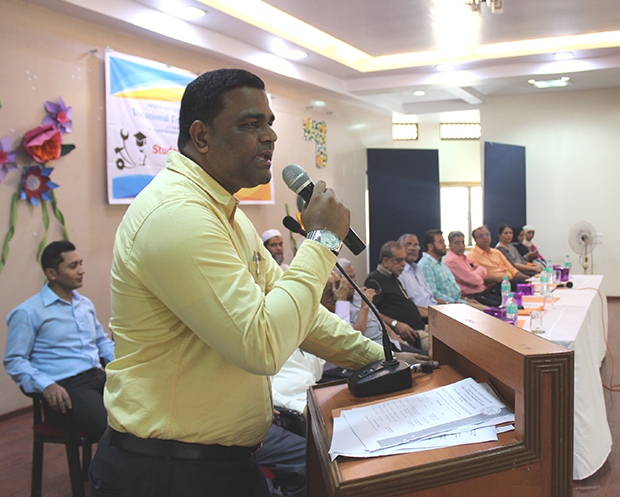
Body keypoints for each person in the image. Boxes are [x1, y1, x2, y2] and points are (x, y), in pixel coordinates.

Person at [89, 68, 428, 497]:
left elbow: (300, 317)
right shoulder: (176, 215)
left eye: (269, 123)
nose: (270, 136)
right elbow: (261, 344)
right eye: (251, 124)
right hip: (166, 472)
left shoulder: (226, 215)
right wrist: (322, 239)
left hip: (220, 461)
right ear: (202, 136)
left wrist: (384, 358)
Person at [4, 240, 114, 442]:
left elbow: (101, 342)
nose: (81, 270)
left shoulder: (84, 304)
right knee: (113, 429)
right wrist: (46, 385)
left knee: (144, 413)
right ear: (51, 273)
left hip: (97, 377)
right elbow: (15, 360)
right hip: (65, 388)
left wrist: (122, 364)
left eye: (80, 263)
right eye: (73, 266)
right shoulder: (28, 312)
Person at [364, 241, 428, 352]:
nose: (404, 264)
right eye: (399, 260)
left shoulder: (393, 278)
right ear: (385, 261)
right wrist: (395, 324)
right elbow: (371, 313)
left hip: (420, 327)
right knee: (446, 346)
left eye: (404, 259)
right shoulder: (375, 281)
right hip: (411, 334)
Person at [444, 231, 502, 307]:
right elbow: (475, 281)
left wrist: (476, 272)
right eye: (457, 243)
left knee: (511, 301)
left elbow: (484, 270)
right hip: (474, 295)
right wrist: (477, 272)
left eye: (463, 242)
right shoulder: (452, 260)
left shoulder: (462, 257)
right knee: (505, 306)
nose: (461, 246)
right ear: (450, 245)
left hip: (484, 291)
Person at [467, 225, 531, 288]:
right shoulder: (471, 257)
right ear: (475, 239)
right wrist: (496, 279)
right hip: (495, 285)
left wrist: (530, 279)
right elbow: (476, 278)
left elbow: (513, 270)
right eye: (481, 236)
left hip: (510, 281)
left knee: (529, 284)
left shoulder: (496, 252)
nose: (485, 237)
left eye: (487, 234)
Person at [417, 230, 467, 305]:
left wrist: (465, 299)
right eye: (441, 242)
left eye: (444, 242)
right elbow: (433, 294)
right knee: (484, 310)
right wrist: (455, 303)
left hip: (459, 301)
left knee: (484, 308)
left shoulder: (440, 263)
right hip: (448, 305)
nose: (444, 245)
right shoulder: (426, 265)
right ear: (430, 246)